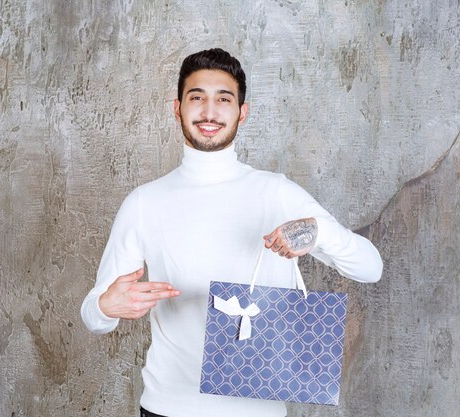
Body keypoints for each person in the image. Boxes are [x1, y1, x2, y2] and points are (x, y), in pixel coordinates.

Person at [81, 48, 383, 417]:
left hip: (258, 410)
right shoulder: (144, 202)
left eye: (223, 99)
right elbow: (93, 314)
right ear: (177, 107)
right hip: (167, 409)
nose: (209, 112)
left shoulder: (277, 193)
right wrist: (104, 306)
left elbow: (371, 268)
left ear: (243, 112)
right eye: (197, 98)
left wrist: (318, 232)